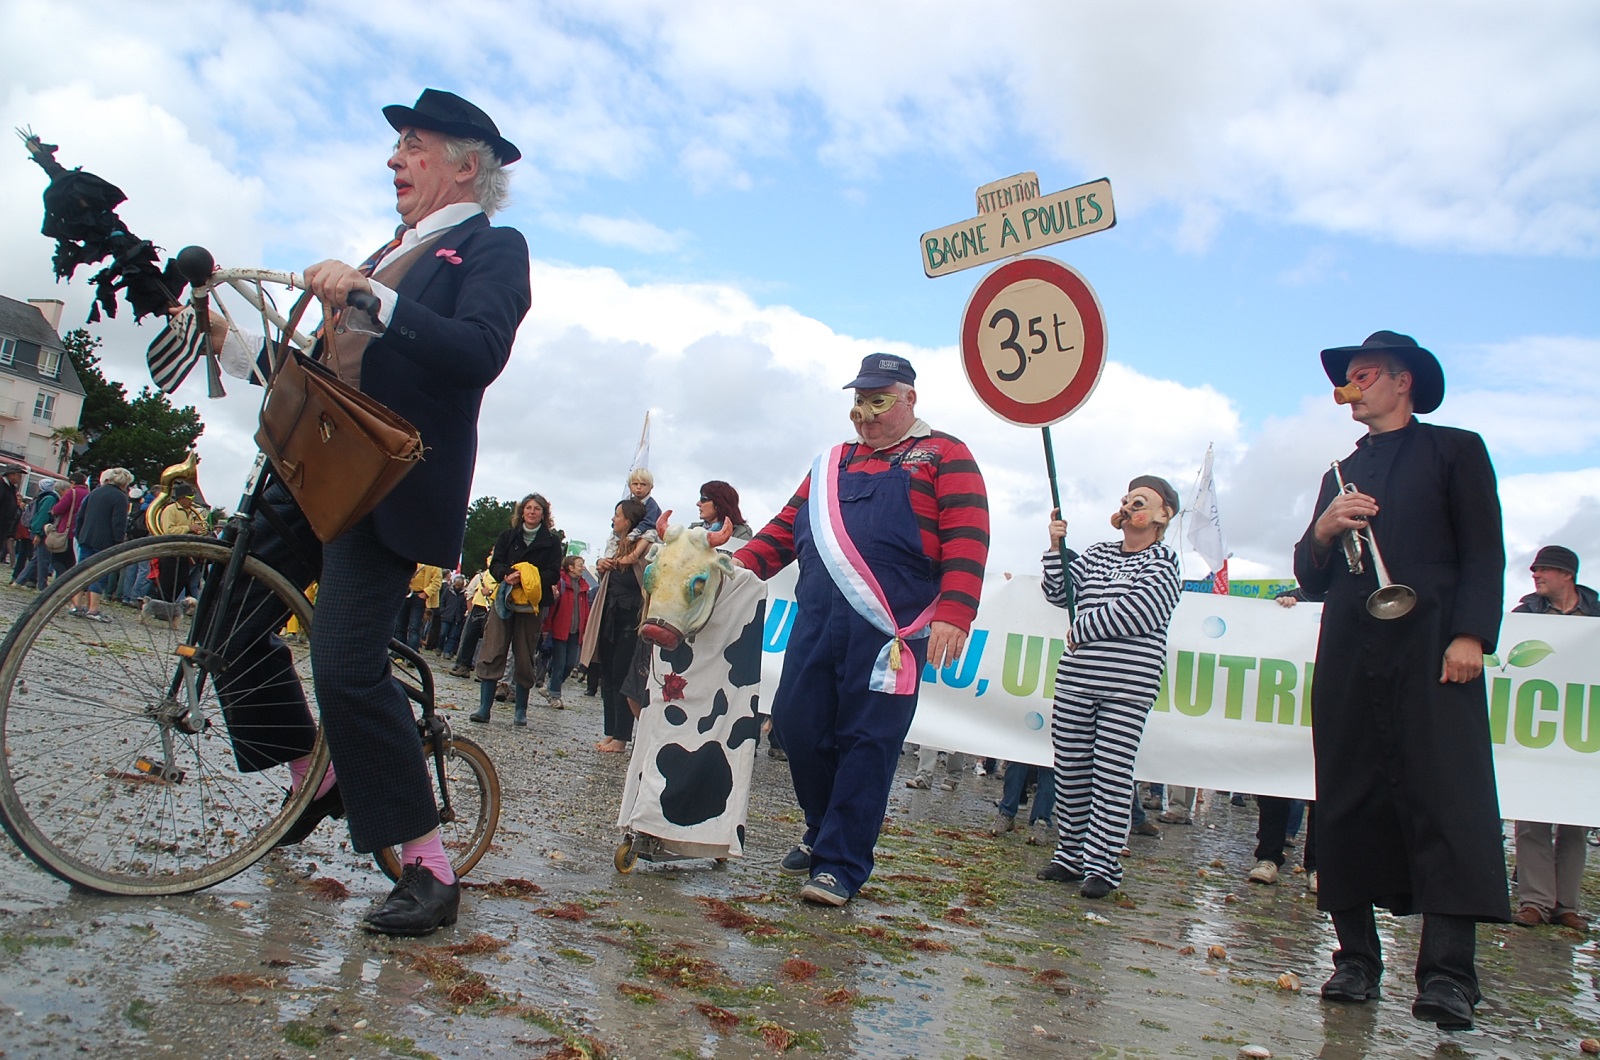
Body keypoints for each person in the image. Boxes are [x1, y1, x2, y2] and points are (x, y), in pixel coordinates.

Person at [207, 89, 531, 936]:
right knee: (224, 619)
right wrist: (232, 346)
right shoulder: (387, 251)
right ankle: (311, 773)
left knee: (346, 665)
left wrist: (372, 296)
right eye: (398, 147)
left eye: (413, 145)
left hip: (386, 483)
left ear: (466, 165)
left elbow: (479, 351)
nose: (394, 159)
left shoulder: (491, 248)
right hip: (312, 466)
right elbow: (328, 367)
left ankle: (427, 867)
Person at [1293, 330, 1508, 1031]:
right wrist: (1324, 530)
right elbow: (1310, 577)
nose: (1349, 389)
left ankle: (1449, 977)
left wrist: (1471, 633)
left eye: (1362, 376)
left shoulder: (1455, 450)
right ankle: (1355, 960)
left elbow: (1484, 550)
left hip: (1433, 647)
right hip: (1352, 651)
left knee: (1447, 799)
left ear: (1401, 380)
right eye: (1348, 378)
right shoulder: (1340, 473)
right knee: (1346, 799)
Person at [735, 353, 989, 907]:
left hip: (891, 635)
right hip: (816, 622)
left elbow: (968, 536)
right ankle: (823, 828)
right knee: (797, 727)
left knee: (868, 743)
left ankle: (840, 864)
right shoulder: (831, 462)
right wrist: (731, 570)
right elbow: (783, 529)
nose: (865, 414)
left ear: (910, 399)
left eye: (879, 401)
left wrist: (955, 612)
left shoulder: (946, 454)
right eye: (858, 401)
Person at [1035, 477, 1182, 900]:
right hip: (1077, 679)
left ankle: (1102, 865)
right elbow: (1059, 592)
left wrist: (1082, 629)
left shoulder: (1164, 561)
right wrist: (1055, 549)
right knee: (1071, 769)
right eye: (1127, 499)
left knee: (1112, 773)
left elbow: (1141, 610)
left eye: (1140, 501)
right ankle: (1070, 855)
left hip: (1128, 685)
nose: (1129, 505)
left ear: (1163, 515)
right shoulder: (1098, 553)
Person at [1509, 544, 1595, 930]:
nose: (1536, 575)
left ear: (1567, 575)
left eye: (1543, 569)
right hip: (1534, 729)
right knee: (1531, 818)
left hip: (1582, 730)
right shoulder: (1525, 616)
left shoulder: (1595, 615)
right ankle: (1535, 901)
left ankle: (1566, 905)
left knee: (1576, 820)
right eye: (1534, 570)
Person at [471, 494, 562, 726]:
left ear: (544, 514)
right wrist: (507, 574)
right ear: (522, 512)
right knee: (493, 649)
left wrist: (527, 577)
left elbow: (553, 574)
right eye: (528, 508)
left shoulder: (552, 542)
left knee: (524, 654)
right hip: (505, 600)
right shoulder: (507, 536)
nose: (532, 512)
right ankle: (484, 707)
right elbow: (495, 565)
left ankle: (520, 709)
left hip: (531, 605)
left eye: (537, 508)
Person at [586, 499, 651, 752]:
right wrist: (603, 565)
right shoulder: (614, 545)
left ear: (629, 520)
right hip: (610, 615)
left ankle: (622, 737)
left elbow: (646, 579)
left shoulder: (645, 547)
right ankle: (611, 731)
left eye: (618, 515)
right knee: (608, 674)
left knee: (622, 675)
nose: (614, 520)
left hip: (630, 619)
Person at [68, 467, 133, 621]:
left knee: (82, 571)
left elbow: (80, 515)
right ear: (125, 483)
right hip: (105, 541)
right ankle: (93, 609)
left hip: (86, 537)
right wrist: (119, 542)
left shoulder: (95, 492)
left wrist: (80, 534)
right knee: (99, 574)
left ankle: (76, 605)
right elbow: (118, 523)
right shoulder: (120, 497)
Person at [542, 554, 590, 710]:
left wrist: (585, 629)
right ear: (571, 568)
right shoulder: (561, 583)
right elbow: (552, 608)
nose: (583, 568)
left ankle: (550, 687)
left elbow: (585, 610)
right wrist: (547, 627)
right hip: (560, 630)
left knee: (570, 663)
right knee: (559, 663)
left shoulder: (583, 587)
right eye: (580, 565)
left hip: (575, 632)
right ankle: (555, 695)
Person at [0, 464, 25, 568]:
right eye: (19, 475)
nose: (20, 478)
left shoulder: (11, 488)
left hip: (4, 526)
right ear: (11, 475)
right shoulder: (2, 484)